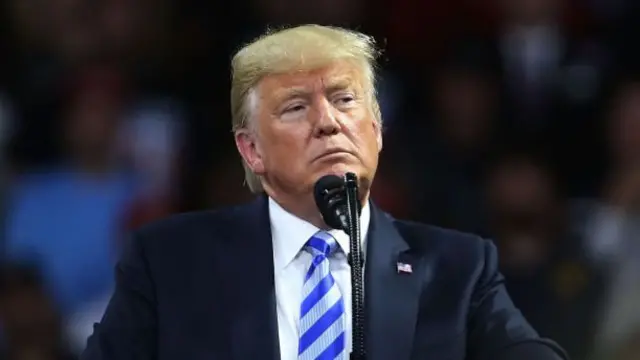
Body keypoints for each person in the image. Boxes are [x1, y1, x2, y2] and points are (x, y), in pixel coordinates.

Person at [80, 25, 568, 360]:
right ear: (252, 152)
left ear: (376, 131)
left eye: (344, 99)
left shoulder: (458, 269)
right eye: (295, 107)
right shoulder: (170, 263)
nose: (328, 123)